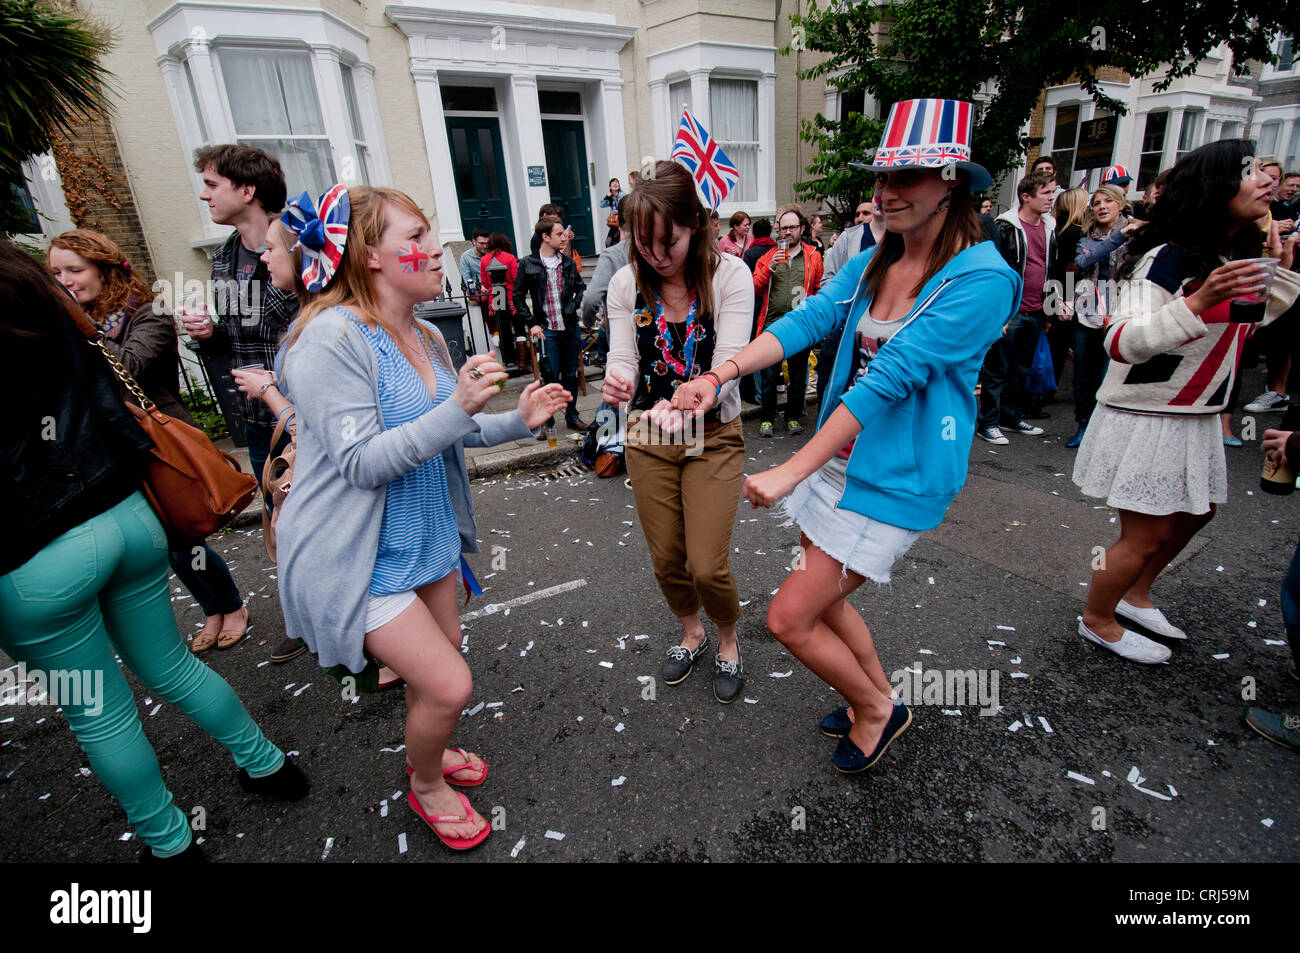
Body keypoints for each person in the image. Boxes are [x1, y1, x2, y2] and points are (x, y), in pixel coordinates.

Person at [672, 98, 1019, 772]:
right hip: (840, 463)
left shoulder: (985, 280)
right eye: (880, 179)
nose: (884, 193)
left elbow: (891, 376)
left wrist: (790, 469)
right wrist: (720, 376)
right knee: (824, 606)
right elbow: (809, 321)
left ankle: (875, 709)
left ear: (952, 181)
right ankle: (880, 695)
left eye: (905, 178)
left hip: (892, 475)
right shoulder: (871, 260)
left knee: (789, 617)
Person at [275, 184, 571, 850]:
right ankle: (428, 784)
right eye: (413, 236)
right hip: (363, 557)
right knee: (450, 684)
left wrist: (514, 422)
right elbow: (361, 463)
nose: (433, 247)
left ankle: (425, 755)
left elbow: (450, 433)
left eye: (429, 232)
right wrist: (459, 407)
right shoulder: (329, 340)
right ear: (368, 254)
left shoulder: (427, 332)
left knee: (442, 665)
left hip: (428, 539)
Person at [2, 241, 307, 861]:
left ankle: (169, 841)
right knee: (170, 664)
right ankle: (269, 765)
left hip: (32, 554)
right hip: (125, 514)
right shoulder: (52, 305)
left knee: (99, 712)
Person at [1073, 139, 1299, 664]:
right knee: (1146, 532)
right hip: (1149, 414)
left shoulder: (1228, 253)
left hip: (1197, 415)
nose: (1265, 180)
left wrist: (1277, 267)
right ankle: (1098, 617)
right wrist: (1198, 300)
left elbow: (1249, 322)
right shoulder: (1167, 257)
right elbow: (1120, 340)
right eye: (1249, 172)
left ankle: (1134, 594)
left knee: (1198, 512)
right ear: (1215, 188)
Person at [48, 229, 252, 656]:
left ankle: (229, 607)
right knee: (160, 543)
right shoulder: (66, 326)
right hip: (107, 450)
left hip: (158, 444)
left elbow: (129, 367)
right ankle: (212, 609)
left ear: (105, 270)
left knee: (181, 538)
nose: (64, 280)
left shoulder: (147, 313)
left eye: (75, 269)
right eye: (56, 273)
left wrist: (77, 327)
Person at [600, 160, 753, 702]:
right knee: (667, 557)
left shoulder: (730, 275)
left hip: (712, 433)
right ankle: (692, 633)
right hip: (650, 433)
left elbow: (732, 360)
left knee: (706, 564)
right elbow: (624, 359)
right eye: (644, 244)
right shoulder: (625, 281)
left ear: (697, 225)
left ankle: (729, 639)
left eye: (670, 242)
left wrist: (703, 390)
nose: (656, 255)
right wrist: (617, 385)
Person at [182, 143, 303, 663]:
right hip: (256, 421)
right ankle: (302, 618)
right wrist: (209, 334)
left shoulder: (298, 239)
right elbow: (234, 340)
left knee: (327, 519)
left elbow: (322, 320)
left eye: (212, 184)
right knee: (282, 521)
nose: (204, 193)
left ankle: (365, 616)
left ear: (246, 190)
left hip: (305, 416)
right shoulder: (225, 256)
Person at [977, 169, 1057, 444]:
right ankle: (987, 422)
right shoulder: (1005, 226)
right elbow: (995, 271)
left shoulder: (1050, 227)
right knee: (997, 369)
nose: (1051, 198)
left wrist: (1049, 309)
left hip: (1036, 309)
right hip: (1011, 312)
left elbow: (1051, 268)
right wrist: (997, 314)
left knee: (1022, 368)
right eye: (1045, 192)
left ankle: (1010, 417)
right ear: (1026, 196)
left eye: (1052, 192)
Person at [1066, 185, 1141, 448]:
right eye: (1096, 202)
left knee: (1112, 374)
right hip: (1088, 313)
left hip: (1122, 311)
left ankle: (1108, 432)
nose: (1101, 206)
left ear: (1121, 204)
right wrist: (1119, 236)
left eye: (1108, 201)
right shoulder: (1086, 236)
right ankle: (1084, 426)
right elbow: (1083, 263)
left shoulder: (1140, 234)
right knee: (1084, 374)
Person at [752, 205, 824, 436]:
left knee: (798, 374)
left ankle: (793, 416)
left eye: (792, 227)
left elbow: (818, 289)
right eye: (783, 228)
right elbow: (754, 287)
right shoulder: (767, 257)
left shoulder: (813, 256)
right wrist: (770, 267)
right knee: (770, 375)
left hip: (800, 325)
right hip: (772, 326)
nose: (787, 232)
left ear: (801, 229)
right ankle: (768, 418)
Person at [515, 216, 589, 434]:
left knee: (570, 375)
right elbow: (517, 297)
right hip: (547, 331)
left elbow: (581, 288)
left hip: (569, 327)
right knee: (550, 377)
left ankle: (572, 416)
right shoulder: (528, 264)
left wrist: (573, 305)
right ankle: (547, 421)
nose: (563, 237)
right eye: (558, 234)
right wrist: (532, 324)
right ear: (545, 237)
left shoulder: (566, 262)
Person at [582, 196, 629, 365]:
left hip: (623, 343)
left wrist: (588, 321)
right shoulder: (657, 251)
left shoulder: (613, 255)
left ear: (617, 220)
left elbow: (591, 298)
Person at [480, 233, 520, 368]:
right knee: (518, 329)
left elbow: (485, 283)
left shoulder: (484, 260)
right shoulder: (510, 258)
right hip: (511, 297)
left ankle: (506, 360)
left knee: (502, 329)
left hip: (496, 297)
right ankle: (521, 362)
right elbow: (516, 279)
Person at [459, 228, 489, 293]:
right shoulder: (466, 257)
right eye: (481, 243)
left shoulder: (490, 254)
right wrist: (478, 287)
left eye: (487, 243)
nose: (485, 246)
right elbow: (466, 279)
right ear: (474, 242)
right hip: (476, 290)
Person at [600, 178, 623, 247]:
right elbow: (602, 205)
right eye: (613, 182)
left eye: (617, 182)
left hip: (622, 223)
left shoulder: (622, 195)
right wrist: (607, 196)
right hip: (614, 223)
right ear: (610, 187)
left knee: (617, 243)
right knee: (608, 242)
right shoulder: (611, 197)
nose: (615, 183)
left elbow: (627, 208)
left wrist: (618, 211)